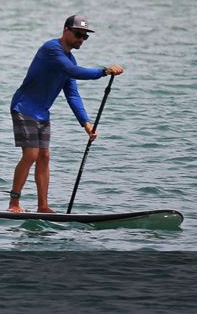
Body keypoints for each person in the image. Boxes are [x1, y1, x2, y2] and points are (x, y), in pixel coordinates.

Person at [7, 15, 124, 213]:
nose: (81, 40)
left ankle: (43, 206)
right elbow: (74, 71)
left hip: (42, 113)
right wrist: (104, 71)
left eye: (85, 37)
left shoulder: (70, 58)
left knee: (44, 156)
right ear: (66, 30)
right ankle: (14, 203)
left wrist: (85, 123)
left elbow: (72, 94)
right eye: (78, 34)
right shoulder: (51, 49)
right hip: (24, 107)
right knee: (31, 154)